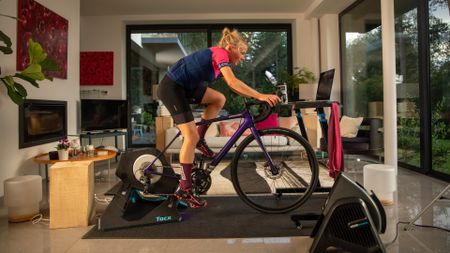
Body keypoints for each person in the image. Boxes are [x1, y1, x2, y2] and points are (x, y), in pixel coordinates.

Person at [157, 27, 280, 208]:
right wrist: (260, 95)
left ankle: (200, 140)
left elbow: (233, 86)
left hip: (185, 87)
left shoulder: (220, 59)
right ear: (231, 47)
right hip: (172, 87)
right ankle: (184, 190)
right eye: (242, 52)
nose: (244, 57)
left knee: (218, 99)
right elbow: (232, 82)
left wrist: (253, 95)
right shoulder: (220, 53)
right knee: (189, 137)